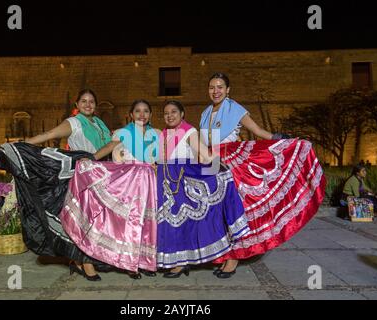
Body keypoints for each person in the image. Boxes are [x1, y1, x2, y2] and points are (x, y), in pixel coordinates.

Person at [200, 72, 326, 278]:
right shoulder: (206, 112)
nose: (216, 91)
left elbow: (258, 130)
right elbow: (203, 143)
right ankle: (222, 254)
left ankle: (233, 258)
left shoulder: (235, 108)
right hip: (210, 160)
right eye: (212, 87)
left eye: (220, 87)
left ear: (228, 90)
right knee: (215, 210)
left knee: (233, 209)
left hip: (229, 160)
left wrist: (282, 140)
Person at [0, 88, 113, 281]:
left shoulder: (100, 123)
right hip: (81, 176)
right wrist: (21, 146)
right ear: (76, 105)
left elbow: (110, 144)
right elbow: (49, 134)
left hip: (100, 177)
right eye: (83, 101)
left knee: (96, 220)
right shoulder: (74, 122)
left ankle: (78, 260)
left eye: (91, 101)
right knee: (85, 219)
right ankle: (85, 262)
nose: (87, 104)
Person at [60, 99, 159, 279]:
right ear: (131, 114)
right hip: (129, 181)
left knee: (146, 221)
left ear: (151, 115)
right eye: (137, 111)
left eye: (146, 111)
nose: (142, 114)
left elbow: (160, 156)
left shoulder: (155, 133)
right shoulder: (125, 132)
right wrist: (91, 159)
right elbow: (109, 147)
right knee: (131, 221)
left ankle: (144, 261)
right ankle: (130, 264)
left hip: (149, 181)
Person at [156, 100, 250, 278]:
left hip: (184, 181)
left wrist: (220, 171)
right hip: (167, 184)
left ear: (182, 114)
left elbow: (205, 155)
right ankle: (179, 263)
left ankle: (225, 257)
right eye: (166, 113)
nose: (170, 115)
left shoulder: (189, 131)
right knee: (174, 225)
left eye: (174, 111)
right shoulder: (163, 134)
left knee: (191, 223)